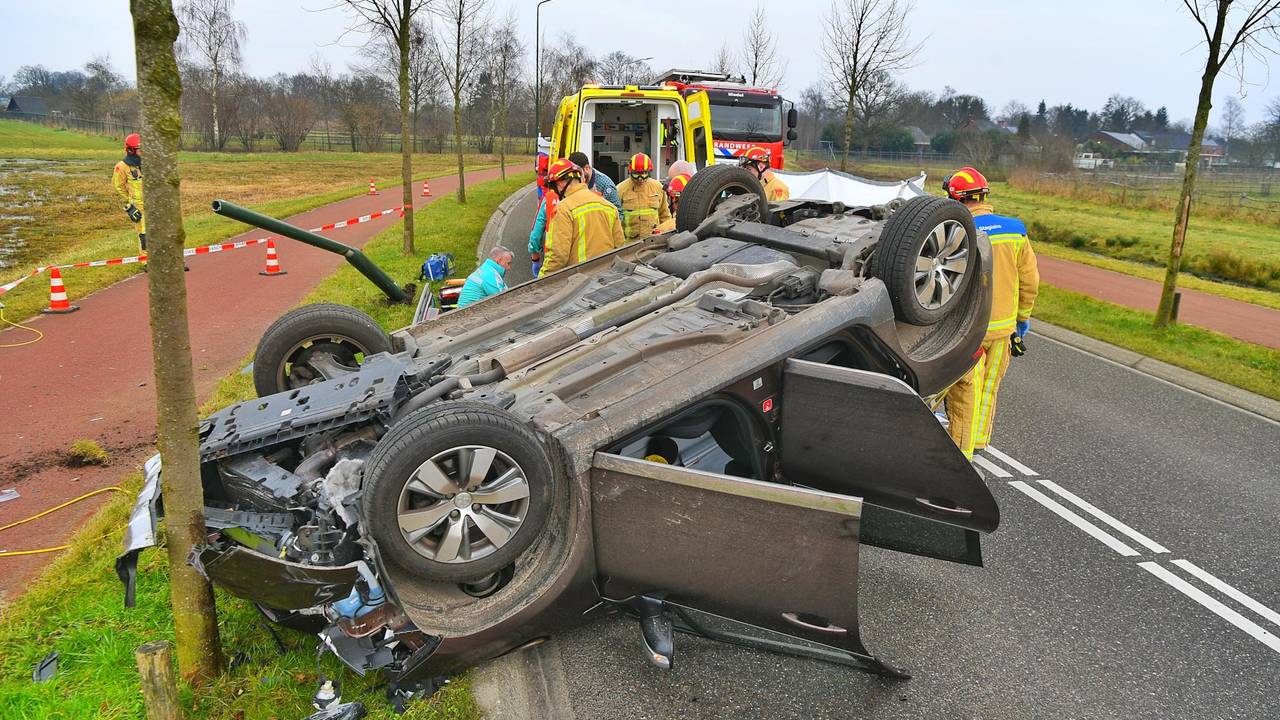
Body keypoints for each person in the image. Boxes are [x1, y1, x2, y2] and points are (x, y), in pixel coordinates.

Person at [942, 166, 1039, 459]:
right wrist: (1022, 318)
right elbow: (1030, 280)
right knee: (987, 390)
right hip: (1002, 330)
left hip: (967, 330)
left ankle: (961, 455)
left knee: (962, 392)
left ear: (957, 198)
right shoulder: (1015, 230)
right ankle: (980, 442)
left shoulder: (956, 230)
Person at [538, 158, 625, 277]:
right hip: (607, 278)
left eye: (554, 187)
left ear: (560, 184)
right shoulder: (608, 206)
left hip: (580, 282)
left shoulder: (563, 209)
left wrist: (541, 281)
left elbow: (558, 256)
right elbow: (620, 247)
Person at [616, 153, 672, 240]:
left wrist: (667, 236)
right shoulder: (620, 190)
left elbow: (664, 215)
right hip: (629, 244)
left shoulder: (658, 188)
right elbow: (616, 221)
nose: (640, 178)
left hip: (653, 242)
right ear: (630, 172)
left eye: (644, 173)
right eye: (637, 174)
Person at [113, 133, 146, 252]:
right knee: (144, 235)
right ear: (131, 150)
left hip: (155, 203)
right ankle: (146, 261)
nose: (143, 152)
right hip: (139, 206)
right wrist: (130, 203)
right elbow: (119, 187)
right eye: (140, 150)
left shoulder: (149, 163)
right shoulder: (121, 167)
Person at [567, 151, 623, 217]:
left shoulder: (606, 185)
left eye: (578, 173)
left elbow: (618, 214)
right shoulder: (573, 181)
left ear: (586, 168)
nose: (576, 177)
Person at [528, 191, 558, 277]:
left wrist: (535, 261)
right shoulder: (592, 196)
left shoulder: (549, 199)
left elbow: (536, 235)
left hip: (553, 253)